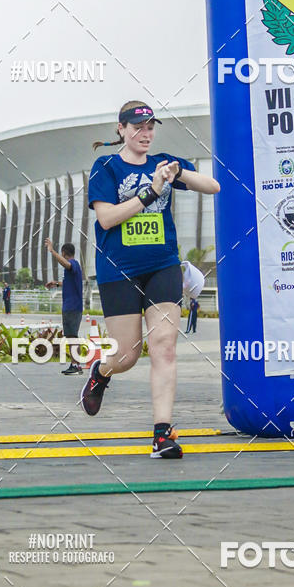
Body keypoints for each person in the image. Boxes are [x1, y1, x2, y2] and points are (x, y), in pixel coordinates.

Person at [80, 100, 220, 459]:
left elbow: (213, 186)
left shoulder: (162, 162)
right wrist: (150, 192)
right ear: (121, 129)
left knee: (164, 345)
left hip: (163, 265)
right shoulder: (106, 167)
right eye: (138, 127)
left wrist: (178, 172)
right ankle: (102, 372)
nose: (146, 134)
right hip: (119, 269)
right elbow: (107, 218)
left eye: (150, 127)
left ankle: (162, 434)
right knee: (127, 355)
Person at [45, 239, 84, 375]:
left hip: (72, 307)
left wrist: (52, 251)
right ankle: (76, 364)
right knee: (72, 336)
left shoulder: (73, 264)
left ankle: (75, 365)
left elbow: (67, 264)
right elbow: (68, 282)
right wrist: (56, 284)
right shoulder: (75, 268)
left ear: (63, 253)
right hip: (73, 306)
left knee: (72, 336)